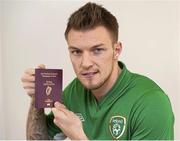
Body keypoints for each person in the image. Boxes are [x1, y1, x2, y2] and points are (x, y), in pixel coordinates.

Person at [21, 2, 174, 140]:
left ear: (116, 50)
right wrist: (38, 98)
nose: (85, 63)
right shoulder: (74, 92)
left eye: (97, 50)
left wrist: (79, 137)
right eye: (76, 52)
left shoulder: (151, 103)